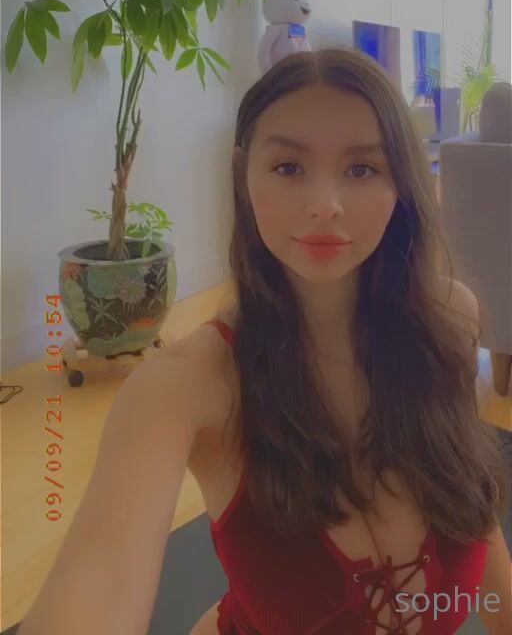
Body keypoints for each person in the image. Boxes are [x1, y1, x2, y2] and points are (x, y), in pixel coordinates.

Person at [18, 48, 511, 635]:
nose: (324, 206)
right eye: (288, 167)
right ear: (243, 176)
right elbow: (99, 589)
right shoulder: (183, 387)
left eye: (361, 169)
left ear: (402, 184)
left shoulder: (449, 322)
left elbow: (468, 501)